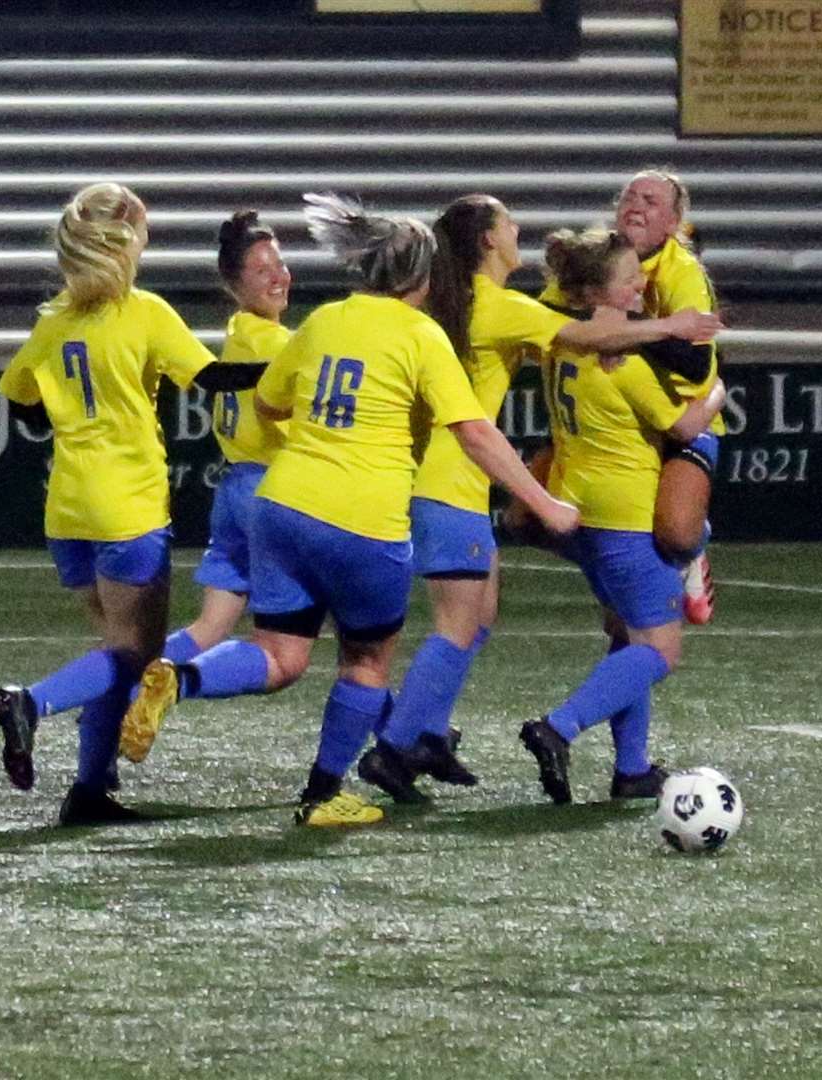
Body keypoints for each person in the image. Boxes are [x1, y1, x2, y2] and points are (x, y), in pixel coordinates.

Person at [114, 193, 580, 828]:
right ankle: (322, 793)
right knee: (367, 660)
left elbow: (273, 404)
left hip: (282, 508)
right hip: (365, 520)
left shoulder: (324, 320)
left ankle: (181, 678)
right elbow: (474, 433)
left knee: (280, 655)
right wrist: (544, 501)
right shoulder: (423, 335)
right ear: (420, 275)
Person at [352, 194, 723, 803]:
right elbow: (579, 332)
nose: (517, 230)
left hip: (448, 483)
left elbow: (567, 328)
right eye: (508, 225)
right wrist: (674, 328)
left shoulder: (460, 304)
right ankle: (397, 748)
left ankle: (428, 737)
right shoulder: (494, 306)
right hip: (458, 483)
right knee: (458, 628)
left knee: (479, 620)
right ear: (488, 244)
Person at [0, 182, 267, 825]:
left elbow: (19, 398)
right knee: (132, 656)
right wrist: (295, 363)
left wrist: (71, 412)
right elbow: (213, 378)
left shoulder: (55, 318)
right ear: (128, 238)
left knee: (115, 651)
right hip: (127, 506)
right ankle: (33, 702)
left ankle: (91, 790)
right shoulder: (143, 311)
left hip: (68, 509)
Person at [517, 227, 727, 804]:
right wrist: (717, 393)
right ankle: (557, 728)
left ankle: (631, 768)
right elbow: (684, 427)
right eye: (630, 278)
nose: (641, 284)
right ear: (596, 295)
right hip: (624, 516)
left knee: (628, 635)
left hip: (576, 507)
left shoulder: (561, 343)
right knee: (660, 649)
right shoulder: (622, 363)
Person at [117, 209, 292, 764]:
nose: (278, 275)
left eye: (281, 263)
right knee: (315, 638)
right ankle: (402, 732)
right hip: (273, 496)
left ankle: (126, 693)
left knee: (212, 624)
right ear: (235, 284)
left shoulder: (240, 331)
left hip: (235, 492)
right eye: (261, 269)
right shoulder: (277, 343)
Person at [543, 168, 722, 623]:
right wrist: (629, 331)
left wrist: (618, 333)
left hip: (681, 415)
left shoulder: (682, 272)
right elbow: (546, 315)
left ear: (673, 224)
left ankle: (691, 551)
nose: (637, 206)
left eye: (651, 201)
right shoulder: (597, 256)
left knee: (677, 535)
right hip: (611, 422)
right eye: (630, 197)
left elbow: (697, 363)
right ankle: (617, 588)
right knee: (525, 519)